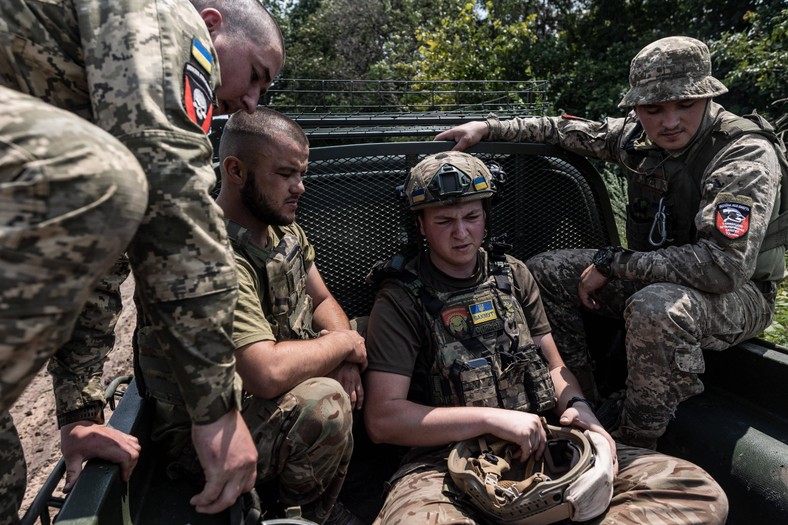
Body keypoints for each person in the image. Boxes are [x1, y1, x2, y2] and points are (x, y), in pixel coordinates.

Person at [0, 0, 285, 522]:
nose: (250, 102)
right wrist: (216, 410)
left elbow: (99, 256)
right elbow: (169, 192)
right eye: (256, 76)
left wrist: (80, 412)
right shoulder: (167, 17)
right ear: (213, 24)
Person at [435, 36, 786, 449]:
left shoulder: (742, 154)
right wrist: (489, 127)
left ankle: (636, 439)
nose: (669, 122)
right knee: (544, 272)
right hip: (660, 278)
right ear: (637, 108)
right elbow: (563, 129)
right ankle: (582, 401)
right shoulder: (638, 139)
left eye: (685, 105)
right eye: (654, 109)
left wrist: (612, 263)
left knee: (655, 307)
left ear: (707, 98)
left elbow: (721, 267)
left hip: (739, 296)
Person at [363, 150, 729, 524]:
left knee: (694, 492)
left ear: (485, 216)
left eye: (472, 217)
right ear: (421, 226)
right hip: (445, 463)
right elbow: (383, 419)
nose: (461, 233)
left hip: (543, 442)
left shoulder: (512, 275)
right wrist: (491, 419)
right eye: (444, 221)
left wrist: (587, 418)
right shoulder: (401, 299)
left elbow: (553, 367)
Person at [210, 107, 366, 525]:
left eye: (301, 173)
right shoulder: (216, 253)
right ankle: (295, 514)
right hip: (218, 431)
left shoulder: (282, 227)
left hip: (272, 395)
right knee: (325, 404)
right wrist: (344, 343)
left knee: (376, 333)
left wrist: (346, 355)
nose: (299, 187)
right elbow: (266, 373)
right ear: (236, 171)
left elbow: (321, 300)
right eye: (284, 174)